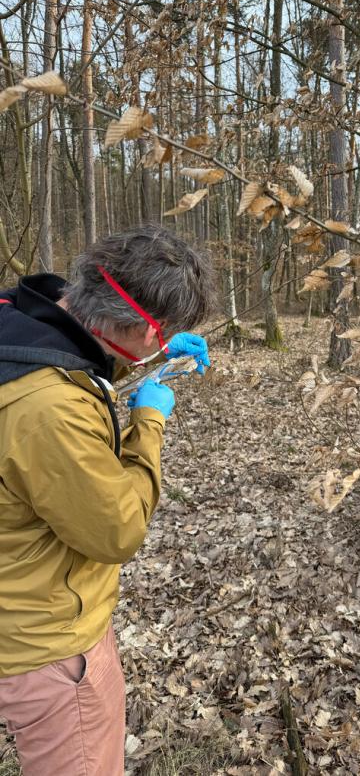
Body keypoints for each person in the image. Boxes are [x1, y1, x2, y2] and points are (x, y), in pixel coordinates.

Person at [0, 226, 214, 775]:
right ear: (141, 326)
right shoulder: (48, 407)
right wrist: (150, 420)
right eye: (162, 333)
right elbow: (116, 529)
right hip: (46, 638)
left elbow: (76, 364)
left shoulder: (21, 323)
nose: (165, 342)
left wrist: (149, 361)